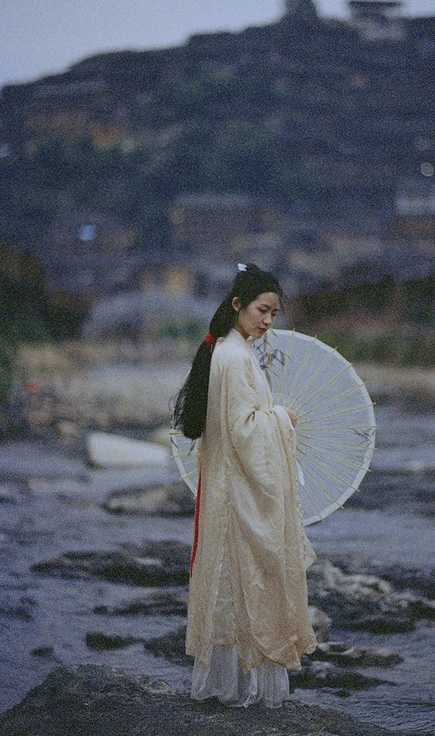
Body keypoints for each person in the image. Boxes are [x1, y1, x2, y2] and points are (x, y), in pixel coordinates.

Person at [172, 263, 317, 708]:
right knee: (246, 581)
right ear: (237, 305)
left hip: (229, 486)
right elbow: (244, 429)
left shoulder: (231, 350)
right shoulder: (234, 356)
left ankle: (229, 684)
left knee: (233, 584)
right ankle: (242, 688)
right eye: (262, 310)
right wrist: (281, 420)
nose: (268, 321)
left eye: (274, 313)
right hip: (237, 492)